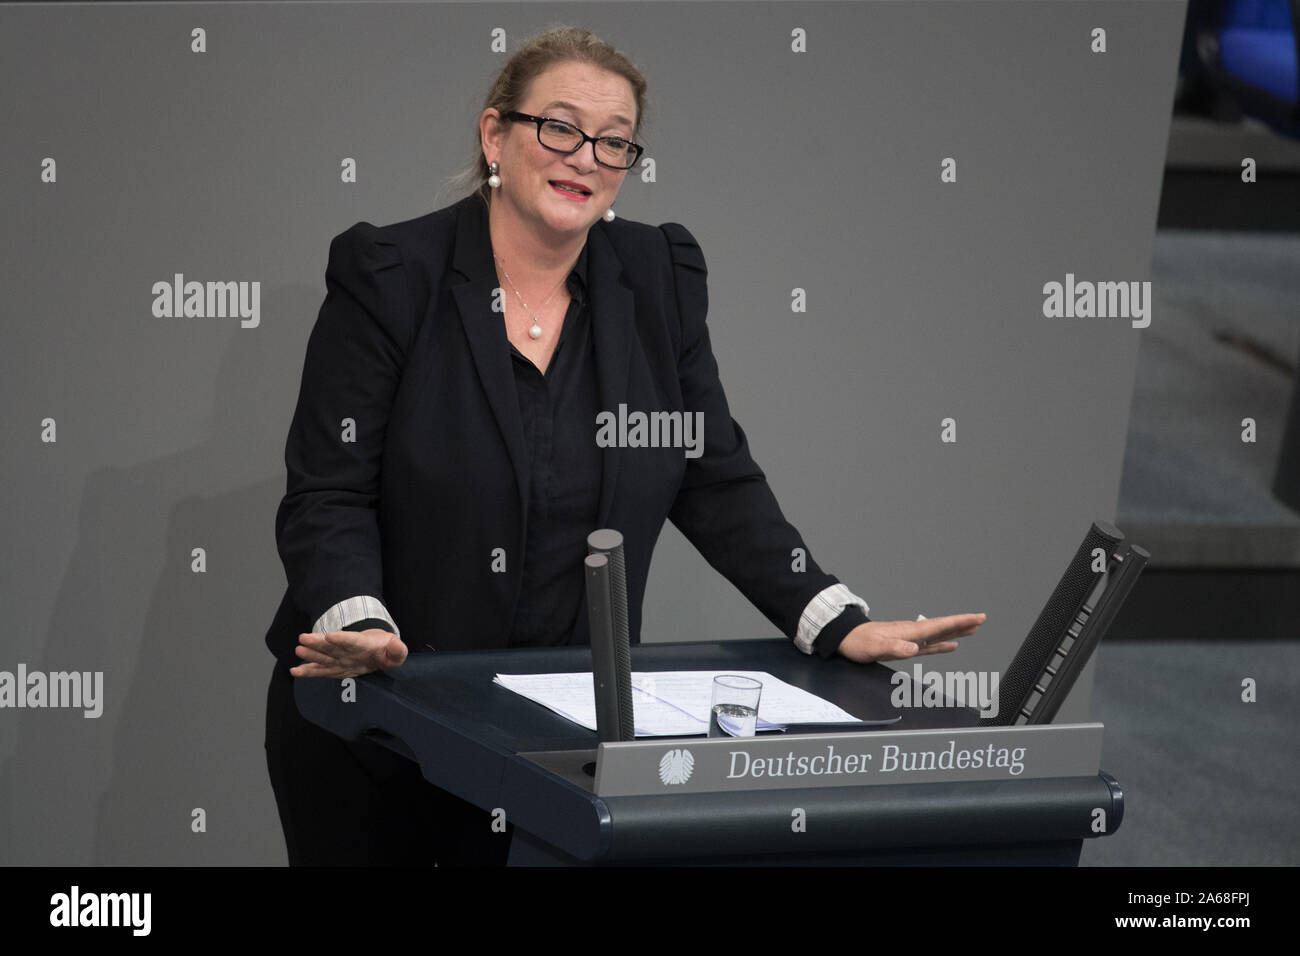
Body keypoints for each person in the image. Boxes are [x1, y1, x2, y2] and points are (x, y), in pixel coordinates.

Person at [263, 25, 986, 866]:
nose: (586, 158)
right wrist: (360, 616)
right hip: (384, 722)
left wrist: (832, 618)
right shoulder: (392, 275)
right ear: (496, 135)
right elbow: (329, 490)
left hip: (560, 733)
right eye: (560, 128)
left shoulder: (653, 277)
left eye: (614, 142)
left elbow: (712, 473)